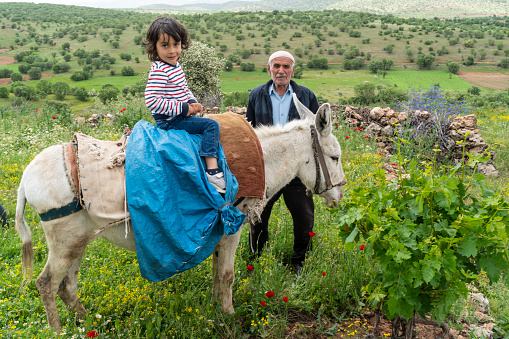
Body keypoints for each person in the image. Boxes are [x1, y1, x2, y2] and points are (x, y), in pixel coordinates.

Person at [246, 51, 319, 274]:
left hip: (297, 170)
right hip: (268, 170)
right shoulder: (256, 95)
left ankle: (299, 261)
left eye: (286, 67)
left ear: (292, 70)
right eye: (276, 66)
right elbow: (251, 131)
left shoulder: (306, 96)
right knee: (257, 216)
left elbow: (316, 134)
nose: (281, 71)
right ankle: (255, 259)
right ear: (269, 69)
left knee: (304, 218)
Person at [144, 17, 225, 193]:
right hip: (170, 121)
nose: (172, 50)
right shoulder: (160, 70)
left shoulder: (175, 66)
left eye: (176, 44)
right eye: (165, 45)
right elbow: (152, 101)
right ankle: (212, 170)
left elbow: (184, 89)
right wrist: (183, 108)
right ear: (154, 47)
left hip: (177, 115)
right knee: (212, 126)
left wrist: (193, 101)